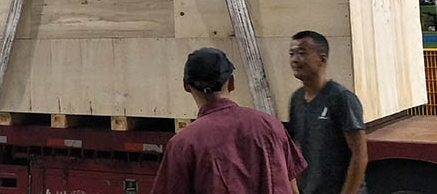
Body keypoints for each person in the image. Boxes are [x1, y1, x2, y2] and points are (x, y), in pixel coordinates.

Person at [151, 47, 305, 194]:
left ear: (186, 85)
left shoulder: (183, 144)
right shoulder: (271, 126)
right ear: (232, 82)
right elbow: (293, 190)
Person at [288, 31, 368, 194]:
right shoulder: (297, 99)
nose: (295, 60)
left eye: (302, 53)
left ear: (322, 59)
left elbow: (360, 156)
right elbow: (296, 149)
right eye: (291, 54)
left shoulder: (341, 98)